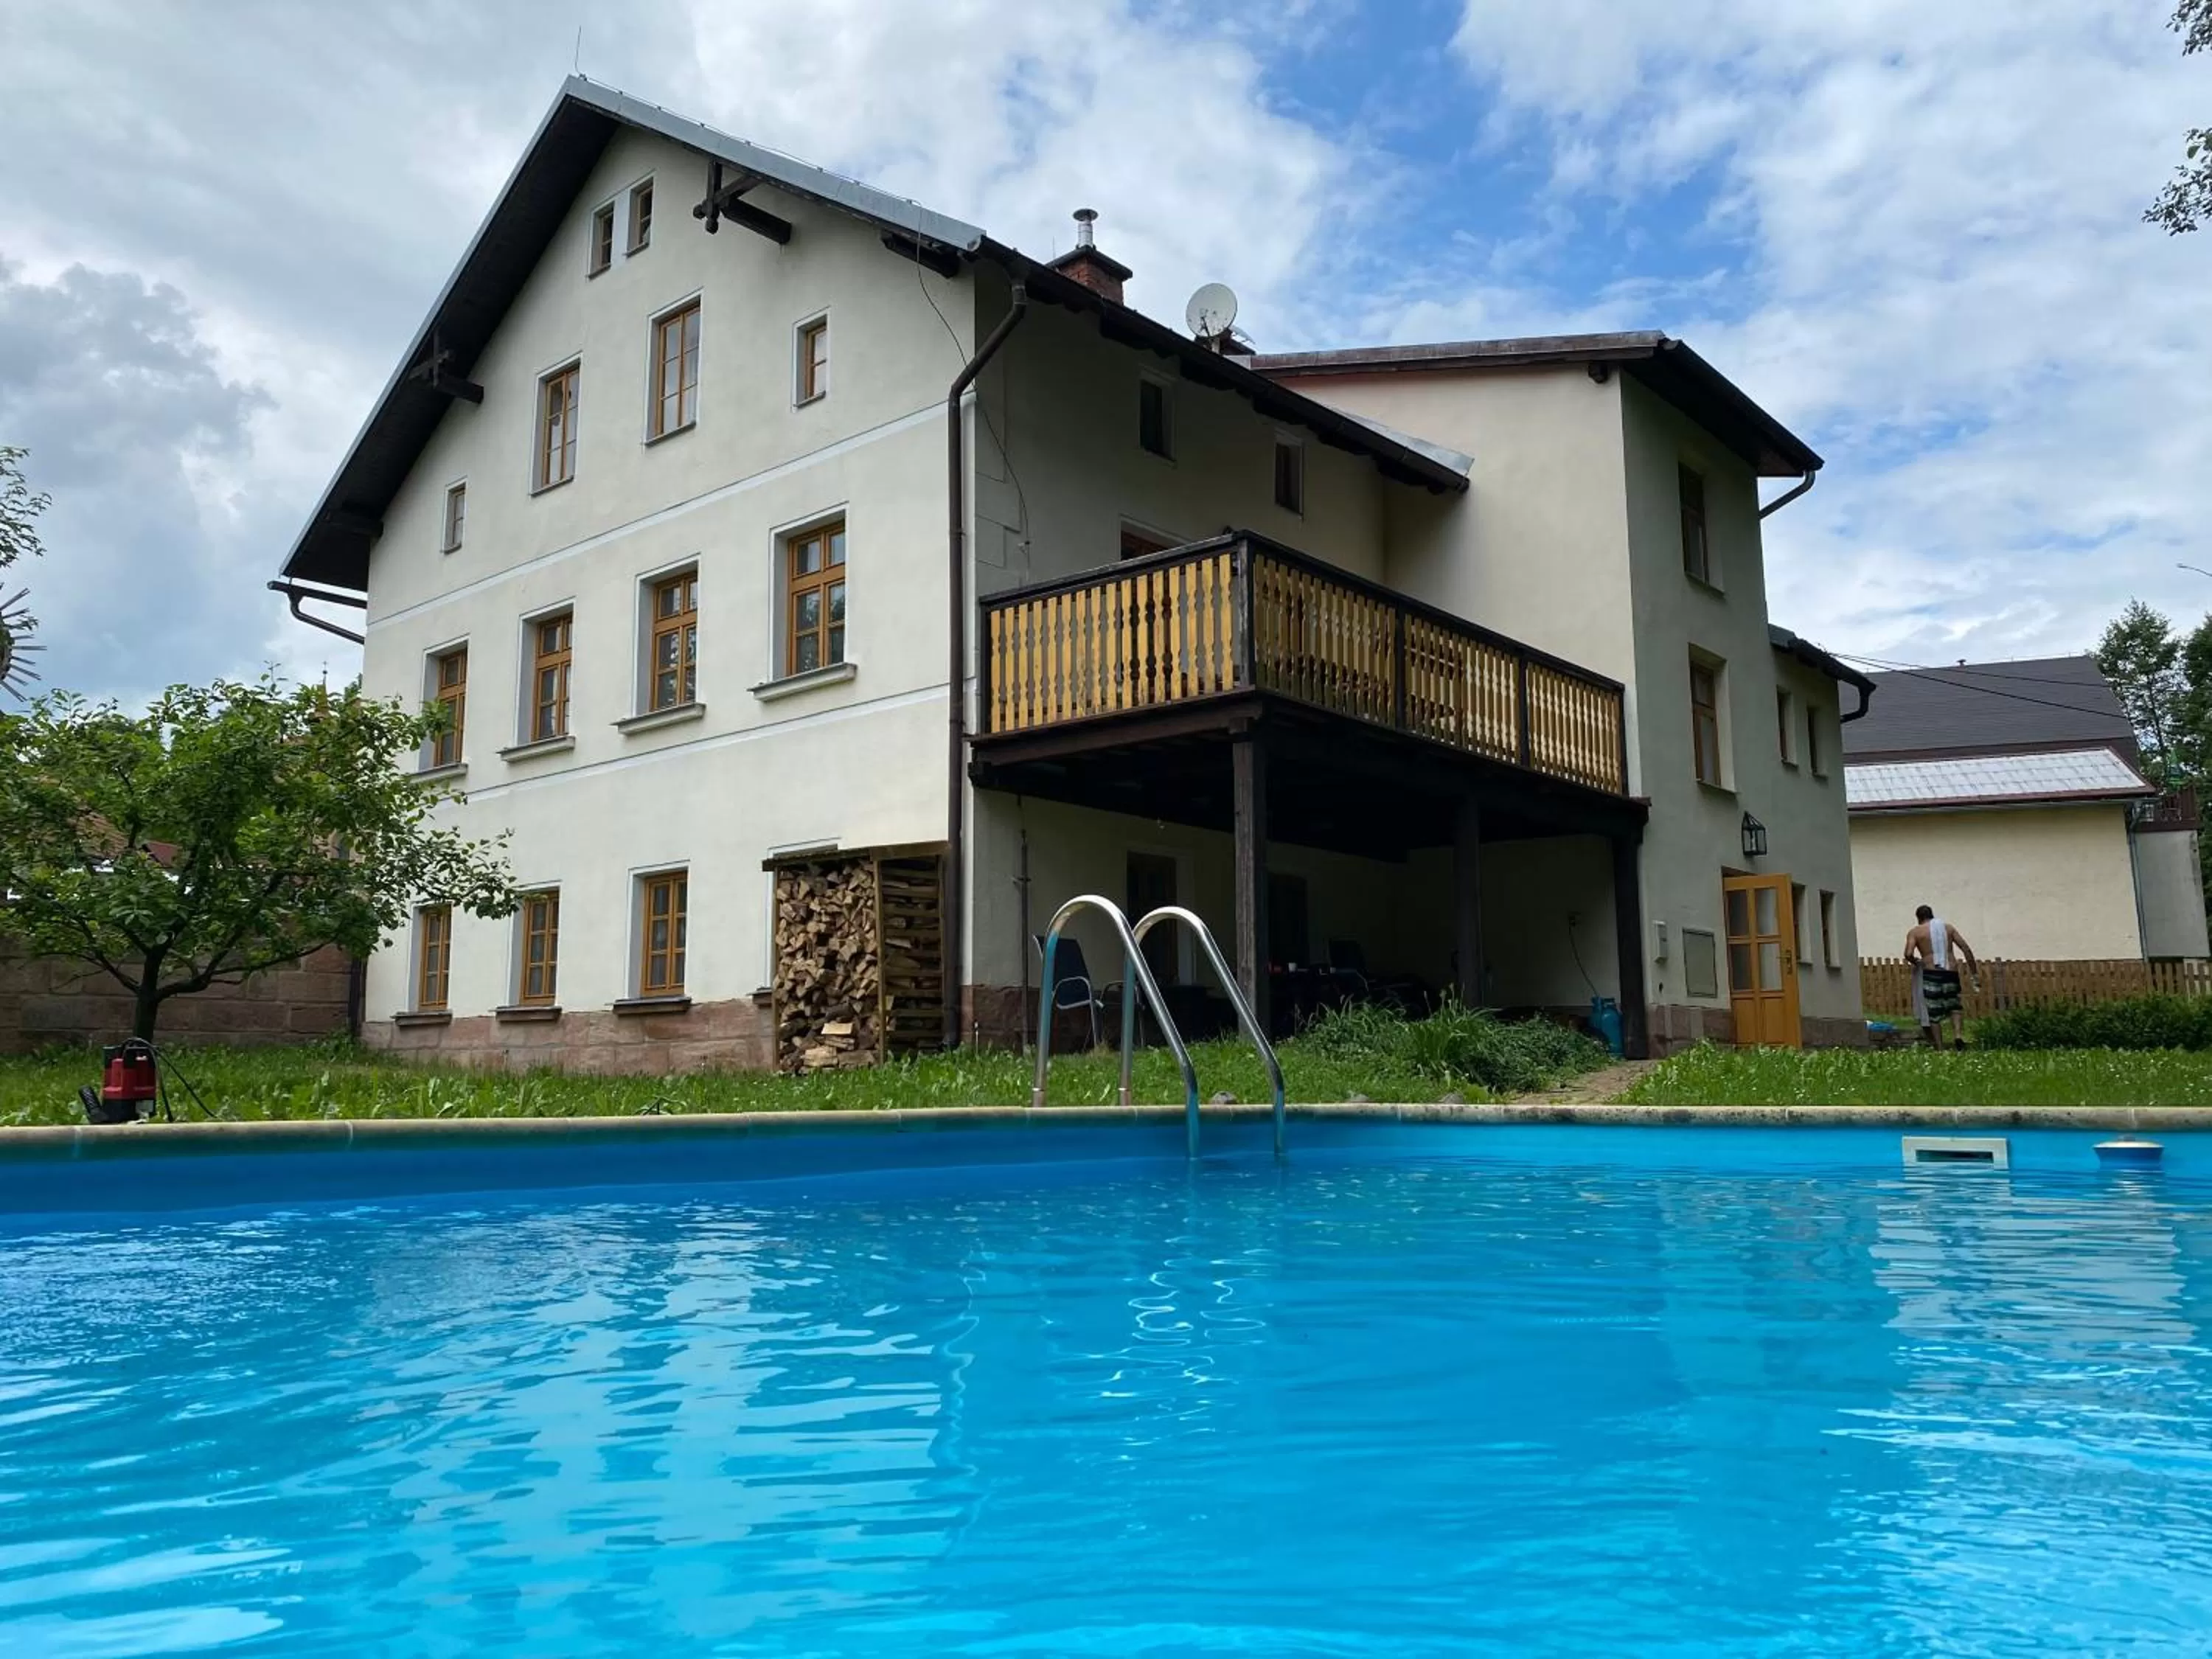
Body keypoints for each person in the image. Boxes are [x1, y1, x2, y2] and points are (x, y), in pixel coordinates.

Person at [1905, 905, 1980, 1049]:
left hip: (1931, 972)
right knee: (1954, 1006)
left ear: (1919, 918)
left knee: (1934, 1011)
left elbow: (1908, 954)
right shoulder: (1948, 928)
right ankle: (1958, 1036)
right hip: (1950, 972)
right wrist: (1974, 972)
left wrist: (1917, 962)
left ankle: (1939, 1047)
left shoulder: (1915, 932)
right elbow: (1965, 948)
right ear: (1932, 915)